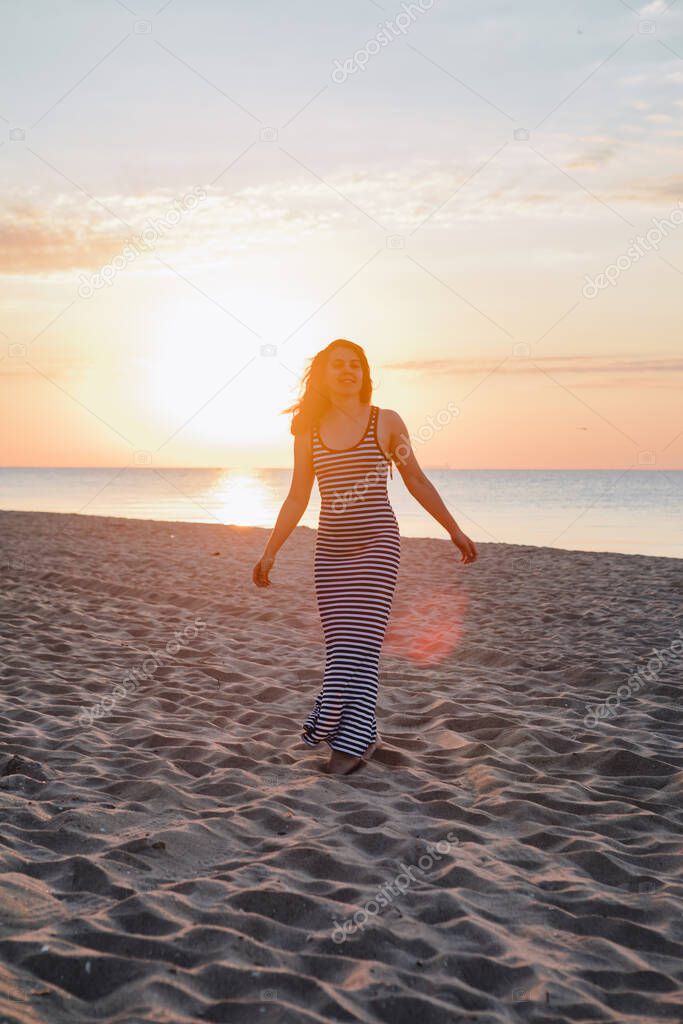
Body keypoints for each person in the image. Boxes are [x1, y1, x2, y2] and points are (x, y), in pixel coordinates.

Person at [252, 339, 477, 775]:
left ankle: (350, 745)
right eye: (337, 365)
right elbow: (298, 494)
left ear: (365, 373)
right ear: (322, 374)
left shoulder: (386, 423)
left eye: (355, 364)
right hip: (330, 551)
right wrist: (270, 551)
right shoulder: (308, 428)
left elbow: (415, 478)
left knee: (361, 648)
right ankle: (364, 732)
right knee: (342, 647)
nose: (347, 371)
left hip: (377, 544)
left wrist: (453, 528)